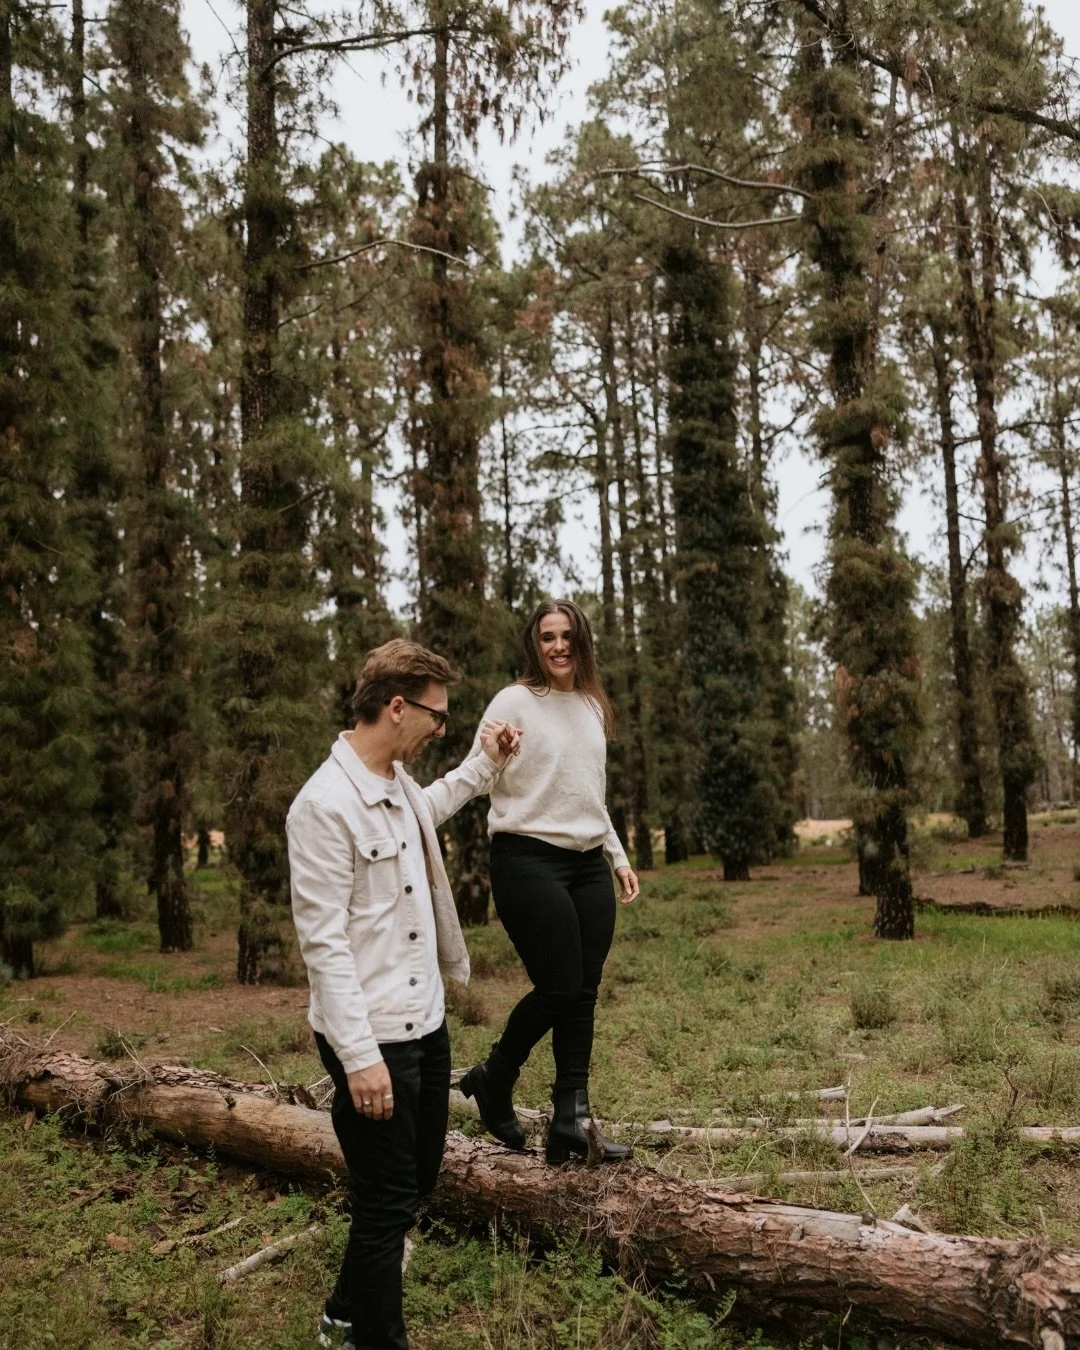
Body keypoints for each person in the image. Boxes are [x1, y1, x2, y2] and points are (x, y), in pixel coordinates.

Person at [287, 639, 521, 1350]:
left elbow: (437, 803)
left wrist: (486, 763)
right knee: (386, 1201)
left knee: (414, 1182)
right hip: (370, 1037)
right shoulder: (323, 807)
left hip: (423, 1024)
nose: (439, 728)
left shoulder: (393, 784)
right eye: (437, 716)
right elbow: (323, 944)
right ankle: (376, 1338)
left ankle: (341, 1311)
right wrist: (359, 1059)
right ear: (396, 707)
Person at [459, 599, 639, 1164]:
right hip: (526, 856)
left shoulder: (590, 705)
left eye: (566, 636)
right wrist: (496, 753)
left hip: (587, 862)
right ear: (533, 645)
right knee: (559, 986)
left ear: (581, 640)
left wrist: (617, 855)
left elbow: (589, 792)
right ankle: (495, 1076)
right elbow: (480, 768)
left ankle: (571, 1120)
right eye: (546, 637)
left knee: (583, 990)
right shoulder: (515, 701)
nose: (558, 646)